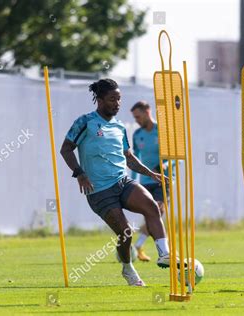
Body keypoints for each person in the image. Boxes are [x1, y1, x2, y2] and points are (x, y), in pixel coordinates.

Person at [60, 79, 174, 287]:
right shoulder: (85, 122)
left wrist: (152, 173)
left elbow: (128, 157)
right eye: (112, 99)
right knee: (125, 233)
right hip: (99, 190)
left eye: (119, 99)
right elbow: (66, 148)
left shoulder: (120, 126)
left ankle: (164, 254)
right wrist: (79, 173)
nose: (117, 103)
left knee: (151, 206)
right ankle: (128, 268)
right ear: (100, 100)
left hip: (122, 181)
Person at [130, 101, 169, 262]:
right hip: (145, 182)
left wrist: (161, 168)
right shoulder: (137, 134)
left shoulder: (163, 131)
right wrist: (132, 182)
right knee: (152, 214)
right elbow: (134, 159)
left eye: (138, 117)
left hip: (163, 180)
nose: (137, 120)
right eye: (134, 118)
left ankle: (141, 244)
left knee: (157, 211)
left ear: (148, 112)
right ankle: (147, 247)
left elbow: (175, 159)